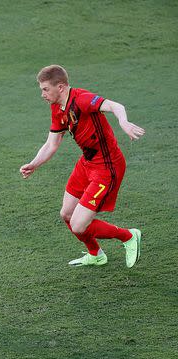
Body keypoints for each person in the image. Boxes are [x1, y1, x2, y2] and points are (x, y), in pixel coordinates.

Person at [20, 65, 144, 268]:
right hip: (87, 163)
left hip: (107, 166)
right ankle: (96, 254)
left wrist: (123, 121)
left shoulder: (82, 100)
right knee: (66, 214)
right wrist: (34, 164)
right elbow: (52, 143)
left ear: (60, 87)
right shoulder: (57, 107)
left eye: (45, 89)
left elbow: (115, 106)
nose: (42, 94)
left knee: (79, 225)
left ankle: (129, 236)